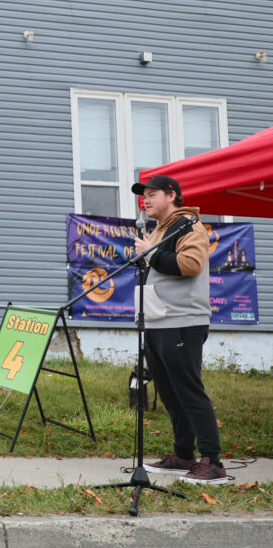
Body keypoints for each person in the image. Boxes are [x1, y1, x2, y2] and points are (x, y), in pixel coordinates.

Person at [133, 175, 227, 485]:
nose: (145, 200)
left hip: (183, 322)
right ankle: (183, 454)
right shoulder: (160, 230)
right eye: (143, 196)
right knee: (170, 393)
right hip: (160, 321)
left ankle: (212, 462)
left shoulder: (189, 226)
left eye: (152, 194)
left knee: (189, 391)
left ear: (171, 195)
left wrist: (151, 254)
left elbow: (190, 265)